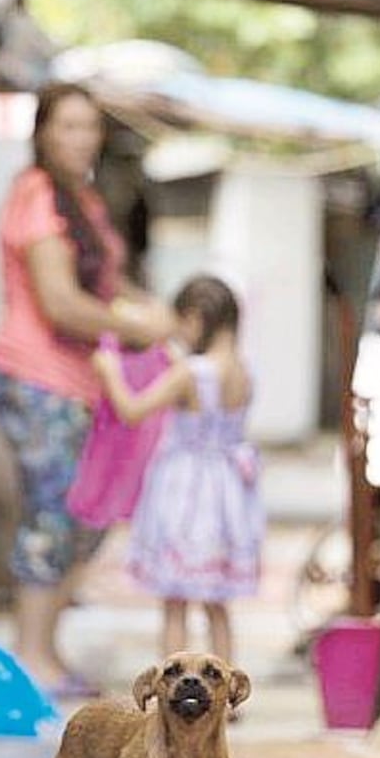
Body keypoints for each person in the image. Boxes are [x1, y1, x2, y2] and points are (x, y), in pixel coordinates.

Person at [0, 82, 171, 697]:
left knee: (87, 516)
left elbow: (108, 290)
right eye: (67, 126)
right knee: (53, 512)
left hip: (82, 386)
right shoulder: (36, 195)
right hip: (34, 377)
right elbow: (62, 305)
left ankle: (46, 649)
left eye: (89, 126)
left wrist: (166, 316)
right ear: (41, 133)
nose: (80, 137)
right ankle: (31, 657)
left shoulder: (83, 200)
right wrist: (132, 323)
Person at [93, 274, 264, 665]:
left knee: (176, 600)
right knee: (218, 603)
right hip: (229, 493)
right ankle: (227, 690)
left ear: (196, 318)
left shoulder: (191, 373)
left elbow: (132, 410)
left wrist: (109, 372)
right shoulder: (244, 370)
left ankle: (172, 685)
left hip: (186, 492)